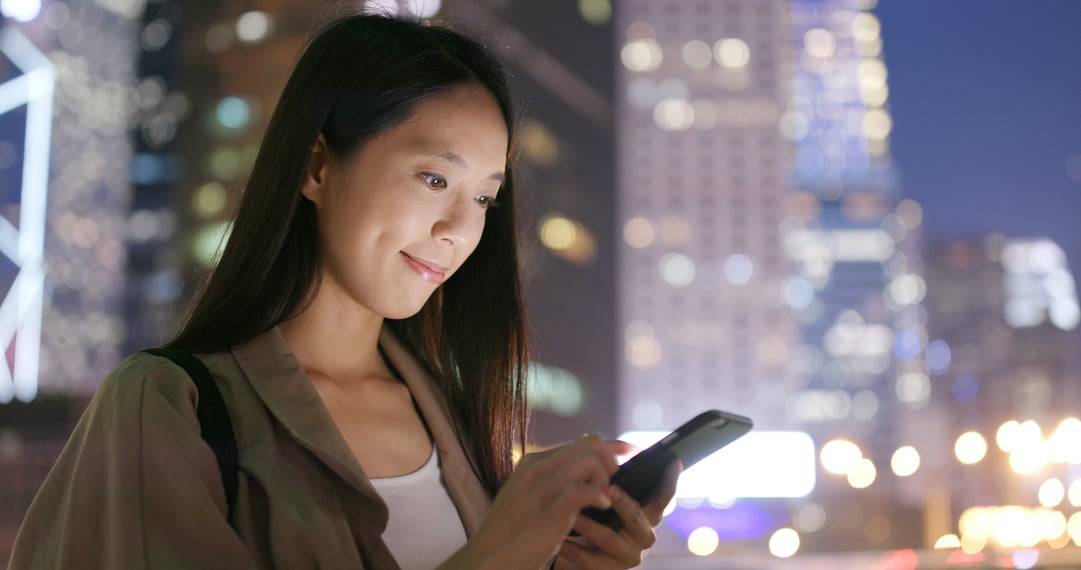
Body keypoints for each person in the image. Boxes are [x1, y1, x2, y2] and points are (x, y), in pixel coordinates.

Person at [8, 12, 679, 570]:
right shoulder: (170, 405)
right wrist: (498, 555)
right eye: (434, 179)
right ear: (318, 166)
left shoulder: (455, 415)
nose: (457, 229)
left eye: (483, 197)